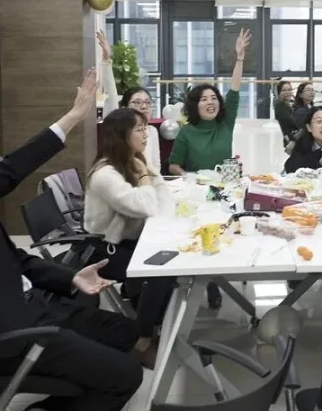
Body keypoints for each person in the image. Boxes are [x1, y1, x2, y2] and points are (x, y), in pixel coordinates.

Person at [0, 70, 144, 411]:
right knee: (127, 376)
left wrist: (72, 278)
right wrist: (71, 119)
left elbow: (19, 261)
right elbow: (5, 176)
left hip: (36, 311)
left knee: (125, 332)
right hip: (4, 336)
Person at [85, 108, 178, 369]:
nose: (146, 134)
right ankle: (142, 340)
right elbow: (146, 206)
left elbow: (162, 200)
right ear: (121, 135)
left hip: (129, 241)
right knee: (162, 270)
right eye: (139, 129)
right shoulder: (105, 174)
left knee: (172, 260)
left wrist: (146, 171)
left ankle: (154, 326)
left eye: (145, 128)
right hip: (105, 251)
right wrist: (145, 174)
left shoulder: (131, 161)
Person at [168, 28, 252, 309]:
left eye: (213, 98)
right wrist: (189, 176)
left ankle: (219, 276)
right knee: (204, 233)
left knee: (229, 232)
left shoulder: (225, 124)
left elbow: (235, 91)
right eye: (204, 99)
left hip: (226, 188)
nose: (211, 102)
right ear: (195, 106)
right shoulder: (187, 133)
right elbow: (173, 165)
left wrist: (239, 58)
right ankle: (206, 280)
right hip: (198, 194)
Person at [97, 31, 161, 171]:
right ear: (125, 108)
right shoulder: (120, 131)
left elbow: (156, 167)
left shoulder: (152, 131)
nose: (144, 107)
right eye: (137, 102)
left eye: (148, 102)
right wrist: (106, 61)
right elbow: (111, 96)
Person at [274, 80, 298, 145]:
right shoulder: (280, 106)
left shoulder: (288, 106)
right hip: (287, 142)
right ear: (279, 93)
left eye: (289, 90)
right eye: (284, 90)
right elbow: (292, 123)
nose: (287, 92)